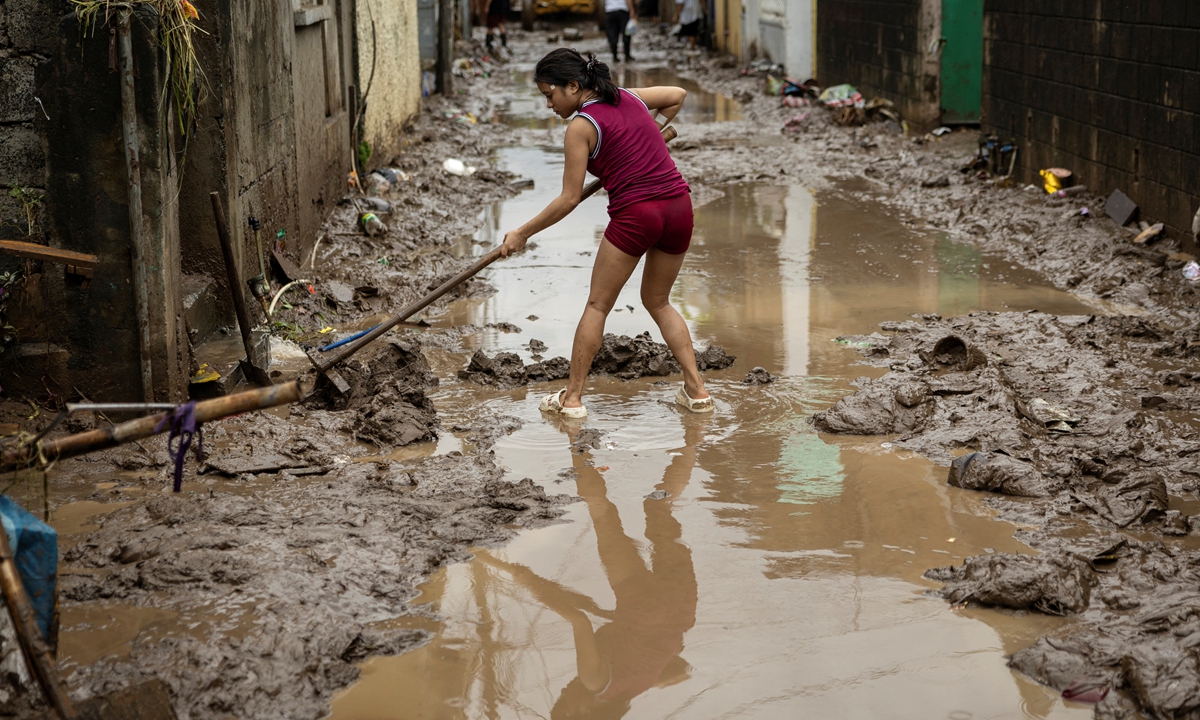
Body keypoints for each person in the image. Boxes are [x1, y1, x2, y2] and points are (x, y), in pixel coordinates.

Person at [499, 48, 714, 418]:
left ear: (572, 85)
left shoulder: (581, 127)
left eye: (550, 95)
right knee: (659, 301)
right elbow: (677, 95)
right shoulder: (628, 96)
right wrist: (656, 134)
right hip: (678, 206)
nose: (548, 105)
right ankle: (697, 391)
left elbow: (568, 200)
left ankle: (573, 400)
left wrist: (522, 232)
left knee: (598, 305)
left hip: (638, 214)